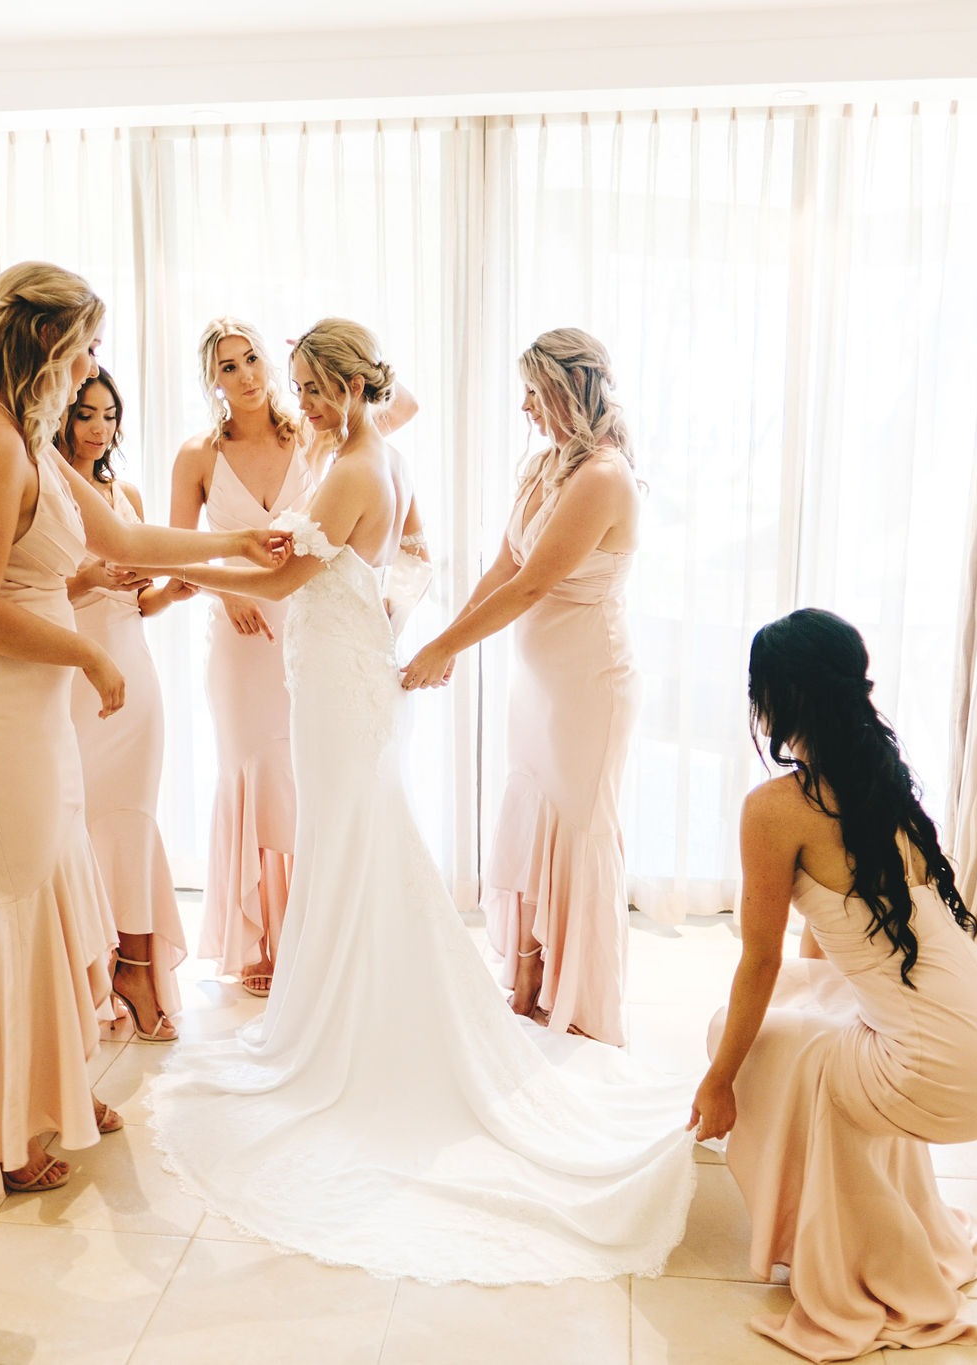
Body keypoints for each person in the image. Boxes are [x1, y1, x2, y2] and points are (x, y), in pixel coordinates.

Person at [149, 319, 694, 1286]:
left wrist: (176, 569)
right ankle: (367, 998)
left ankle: (369, 1021)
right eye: (297, 384)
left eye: (311, 385)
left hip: (347, 678)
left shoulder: (359, 466)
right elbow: (420, 560)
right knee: (350, 841)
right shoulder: (370, 457)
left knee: (349, 840)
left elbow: (285, 576)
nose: (299, 401)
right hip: (340, 668)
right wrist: (383, 618)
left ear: (345, 385)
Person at [0, 263, 285, 1202]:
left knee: (55, 886)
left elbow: (127, 540)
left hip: (24, 710)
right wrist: (89, 655)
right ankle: (4, 1137)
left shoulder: (29, 438)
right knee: (13, 906)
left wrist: (234, 543)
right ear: (48, 341)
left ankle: (56, 1088)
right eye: (88, 345)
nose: (92, 365)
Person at [687, 608, 977, 1360]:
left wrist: (719, 1080)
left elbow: (759, 961)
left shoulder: (775, 809)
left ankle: (846, 1253)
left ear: (779, 699)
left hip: (947, 1067)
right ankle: (876, 1222)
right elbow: (836, 925)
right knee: (809, 1017)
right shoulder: (880, 776)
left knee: (768, 1046)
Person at [401, 328, 640, 1043]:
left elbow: (535, 584)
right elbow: (504, 566)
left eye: (535, 392)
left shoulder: (603, 476)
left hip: (588, 684)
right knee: (534, 814)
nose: (527, 407)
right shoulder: (544, 467)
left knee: (578, 826)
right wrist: (448, 635)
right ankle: (530, 975)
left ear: (570, 390)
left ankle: (578, 996)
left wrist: (446, 647)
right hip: (537, 686)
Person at [170, 318, 421, 997]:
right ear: (211, 380)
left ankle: (315, 951)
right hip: (273, 642)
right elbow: (178, 548)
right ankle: (273, 941)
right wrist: (225, 589)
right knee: (277, 780)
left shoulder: (330, 449)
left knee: (315, 792)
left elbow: (401, 405)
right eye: (229, 366)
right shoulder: (204, 456)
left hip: (319, 641)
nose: (250, 376)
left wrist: (333, 357)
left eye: (256, 359)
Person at [58, 368, 190, 1044]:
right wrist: (88, 577)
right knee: (79, 822)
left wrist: (171, 591)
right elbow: (29, 595)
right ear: (61, 415)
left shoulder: (124, 495)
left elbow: (138, 602)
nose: (98, 428)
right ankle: (86, 974)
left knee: (134, 819)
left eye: (109, 415)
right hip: (73, 674)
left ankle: (136, 968)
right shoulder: (44, 492)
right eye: (85, 413)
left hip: (134, 673)